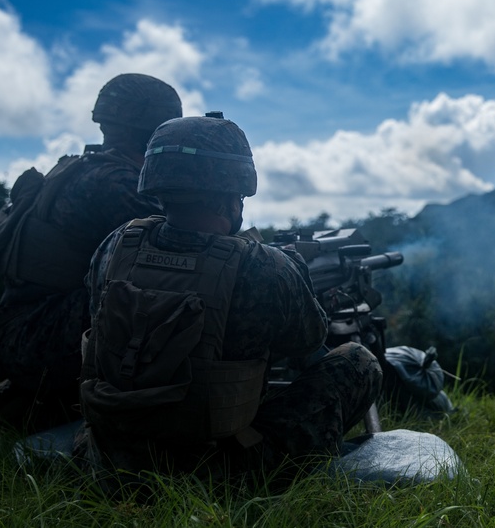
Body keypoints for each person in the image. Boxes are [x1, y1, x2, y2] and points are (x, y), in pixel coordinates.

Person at [77, 113, 382, 492]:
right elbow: (308, 345)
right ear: (232, 194)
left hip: (113, 455)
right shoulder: (263, 267)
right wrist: (292, 272)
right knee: (357, 362)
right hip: (216, 472)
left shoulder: (117, 244)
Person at [0, 74, 183, 433]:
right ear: (157, 128)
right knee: (162, 303)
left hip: (28, 332)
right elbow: (183, 251)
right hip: (41, 338)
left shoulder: (87, 169)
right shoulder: (114, 182)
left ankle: (26, 403)